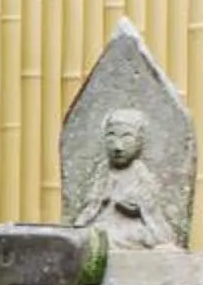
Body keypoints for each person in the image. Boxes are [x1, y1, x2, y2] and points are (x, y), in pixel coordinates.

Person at [72, 107, 180, 250]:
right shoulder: (102, 171)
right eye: (111, 137)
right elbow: (90, 207)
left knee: (128, 237)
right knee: (90, 236)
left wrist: (137, 207)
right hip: (103, 224)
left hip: (133, 229)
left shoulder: (141, 172)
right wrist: (99, 201)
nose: (118, 147)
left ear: (140, 142)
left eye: (126, 139)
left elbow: (152, 210)